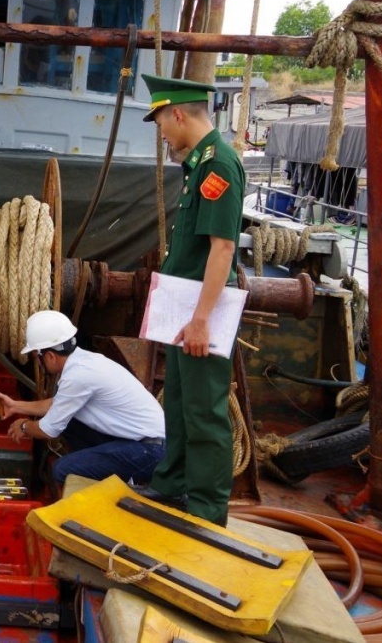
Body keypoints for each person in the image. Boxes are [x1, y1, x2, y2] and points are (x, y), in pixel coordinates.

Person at [139, 74, 245, 526]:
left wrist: (202, 320)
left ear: (178, 114)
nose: (161, 131)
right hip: (183, 309)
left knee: (204, 410)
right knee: (181, 402)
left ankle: (205, 510)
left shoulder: (218, 164)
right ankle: (173, 486)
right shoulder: (199, 163)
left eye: (161, 121)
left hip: (200, 312)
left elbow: (222, 248)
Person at [1, 311, 166, 489]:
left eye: (37, 357)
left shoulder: (77, 376)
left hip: (151, 452)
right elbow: (58, 405)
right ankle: (96, 467)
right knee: (70, 422)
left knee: (62, 470)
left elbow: (48, 430)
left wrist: (24, 426)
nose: (38, 362)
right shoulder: (86, 362)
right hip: (145, 443)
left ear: (49, 356)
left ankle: (115, 487)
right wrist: (16, 406)